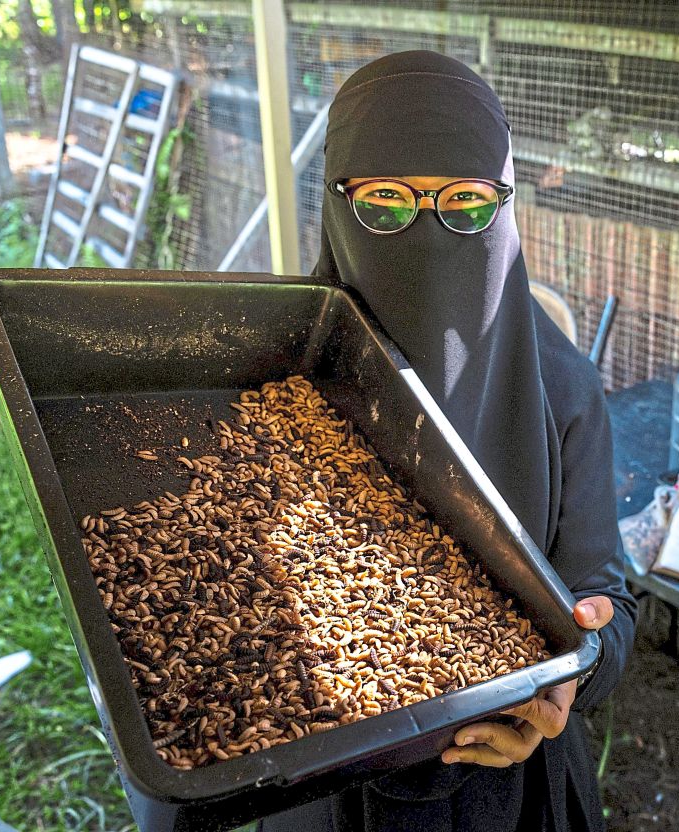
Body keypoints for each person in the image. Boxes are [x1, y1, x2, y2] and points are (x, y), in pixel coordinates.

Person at [257, 50, 636, 832]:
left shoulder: (559, 388)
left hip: (512, 791)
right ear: (336, 200)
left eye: (464, 205)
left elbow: (606, 592)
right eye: (388, 204)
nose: (428, 238)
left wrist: (571, 676)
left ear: (504, 206)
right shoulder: (271, 382)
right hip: (322, 788)